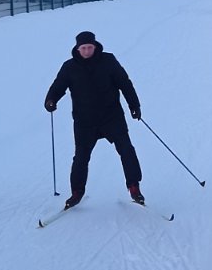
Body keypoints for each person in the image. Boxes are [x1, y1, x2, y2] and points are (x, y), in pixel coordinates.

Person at [44, 31, 145, 207]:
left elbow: (124, 82)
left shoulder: (108, 61)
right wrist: (51, 99)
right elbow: (58, 85)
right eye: (83, 48)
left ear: (95, 46)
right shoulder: (69, 67)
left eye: (90, 47)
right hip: (85, 121)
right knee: (81, 157)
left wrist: (134, 105)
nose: (87, 51)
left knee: (126, 150)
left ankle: (134, 187)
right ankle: (77, 192)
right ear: (77, 48)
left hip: (111, 117)